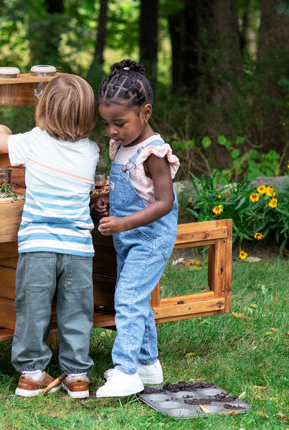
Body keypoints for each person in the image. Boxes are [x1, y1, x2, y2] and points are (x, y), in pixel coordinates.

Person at [0, 74, 100, 399]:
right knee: (77, 313)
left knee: (33, 311)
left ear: (44, 111)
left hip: (38, 246)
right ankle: (77, 375)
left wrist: (3, 132)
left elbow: (1, 145)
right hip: (79, 250)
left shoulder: (33, 141)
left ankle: (31, 375)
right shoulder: (91, 152)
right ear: (87, 116)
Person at [93, 59, 180, 397]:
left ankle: (126, 371)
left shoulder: (154, 152)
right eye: (106, 123)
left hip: (150, 238)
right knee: (137, 300)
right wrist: (106, 202)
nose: (112, 131)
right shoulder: (121, 146)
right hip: (127, 237)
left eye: (119, 123)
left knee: (127, 299)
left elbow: (164, 202)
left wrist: (123, 222)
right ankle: (147, 365)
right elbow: (130, 188)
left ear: (145, 112)